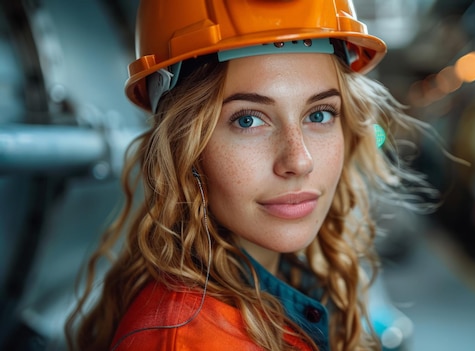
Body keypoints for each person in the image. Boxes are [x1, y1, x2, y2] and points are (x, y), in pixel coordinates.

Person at [65, 1, 437, 350]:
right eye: (248, 120)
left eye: (320, 114)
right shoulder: (189, 338)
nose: (299, 161)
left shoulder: (287, 283)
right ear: (182, 147)